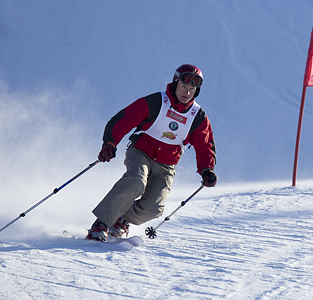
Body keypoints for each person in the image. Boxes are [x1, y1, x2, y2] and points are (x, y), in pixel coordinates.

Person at [86, 64, 217, 242]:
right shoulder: (156, 102)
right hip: (141, 152)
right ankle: (102, 222)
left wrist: (207, 169)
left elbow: (205, 146)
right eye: (184, 87)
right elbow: (124, 120)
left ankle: (121, 219)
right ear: (175, 83)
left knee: (154, 208)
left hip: (166, 164)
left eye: (192, 89)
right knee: (135, 182)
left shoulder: (197, 116)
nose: (187, 93)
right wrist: (110, 142)